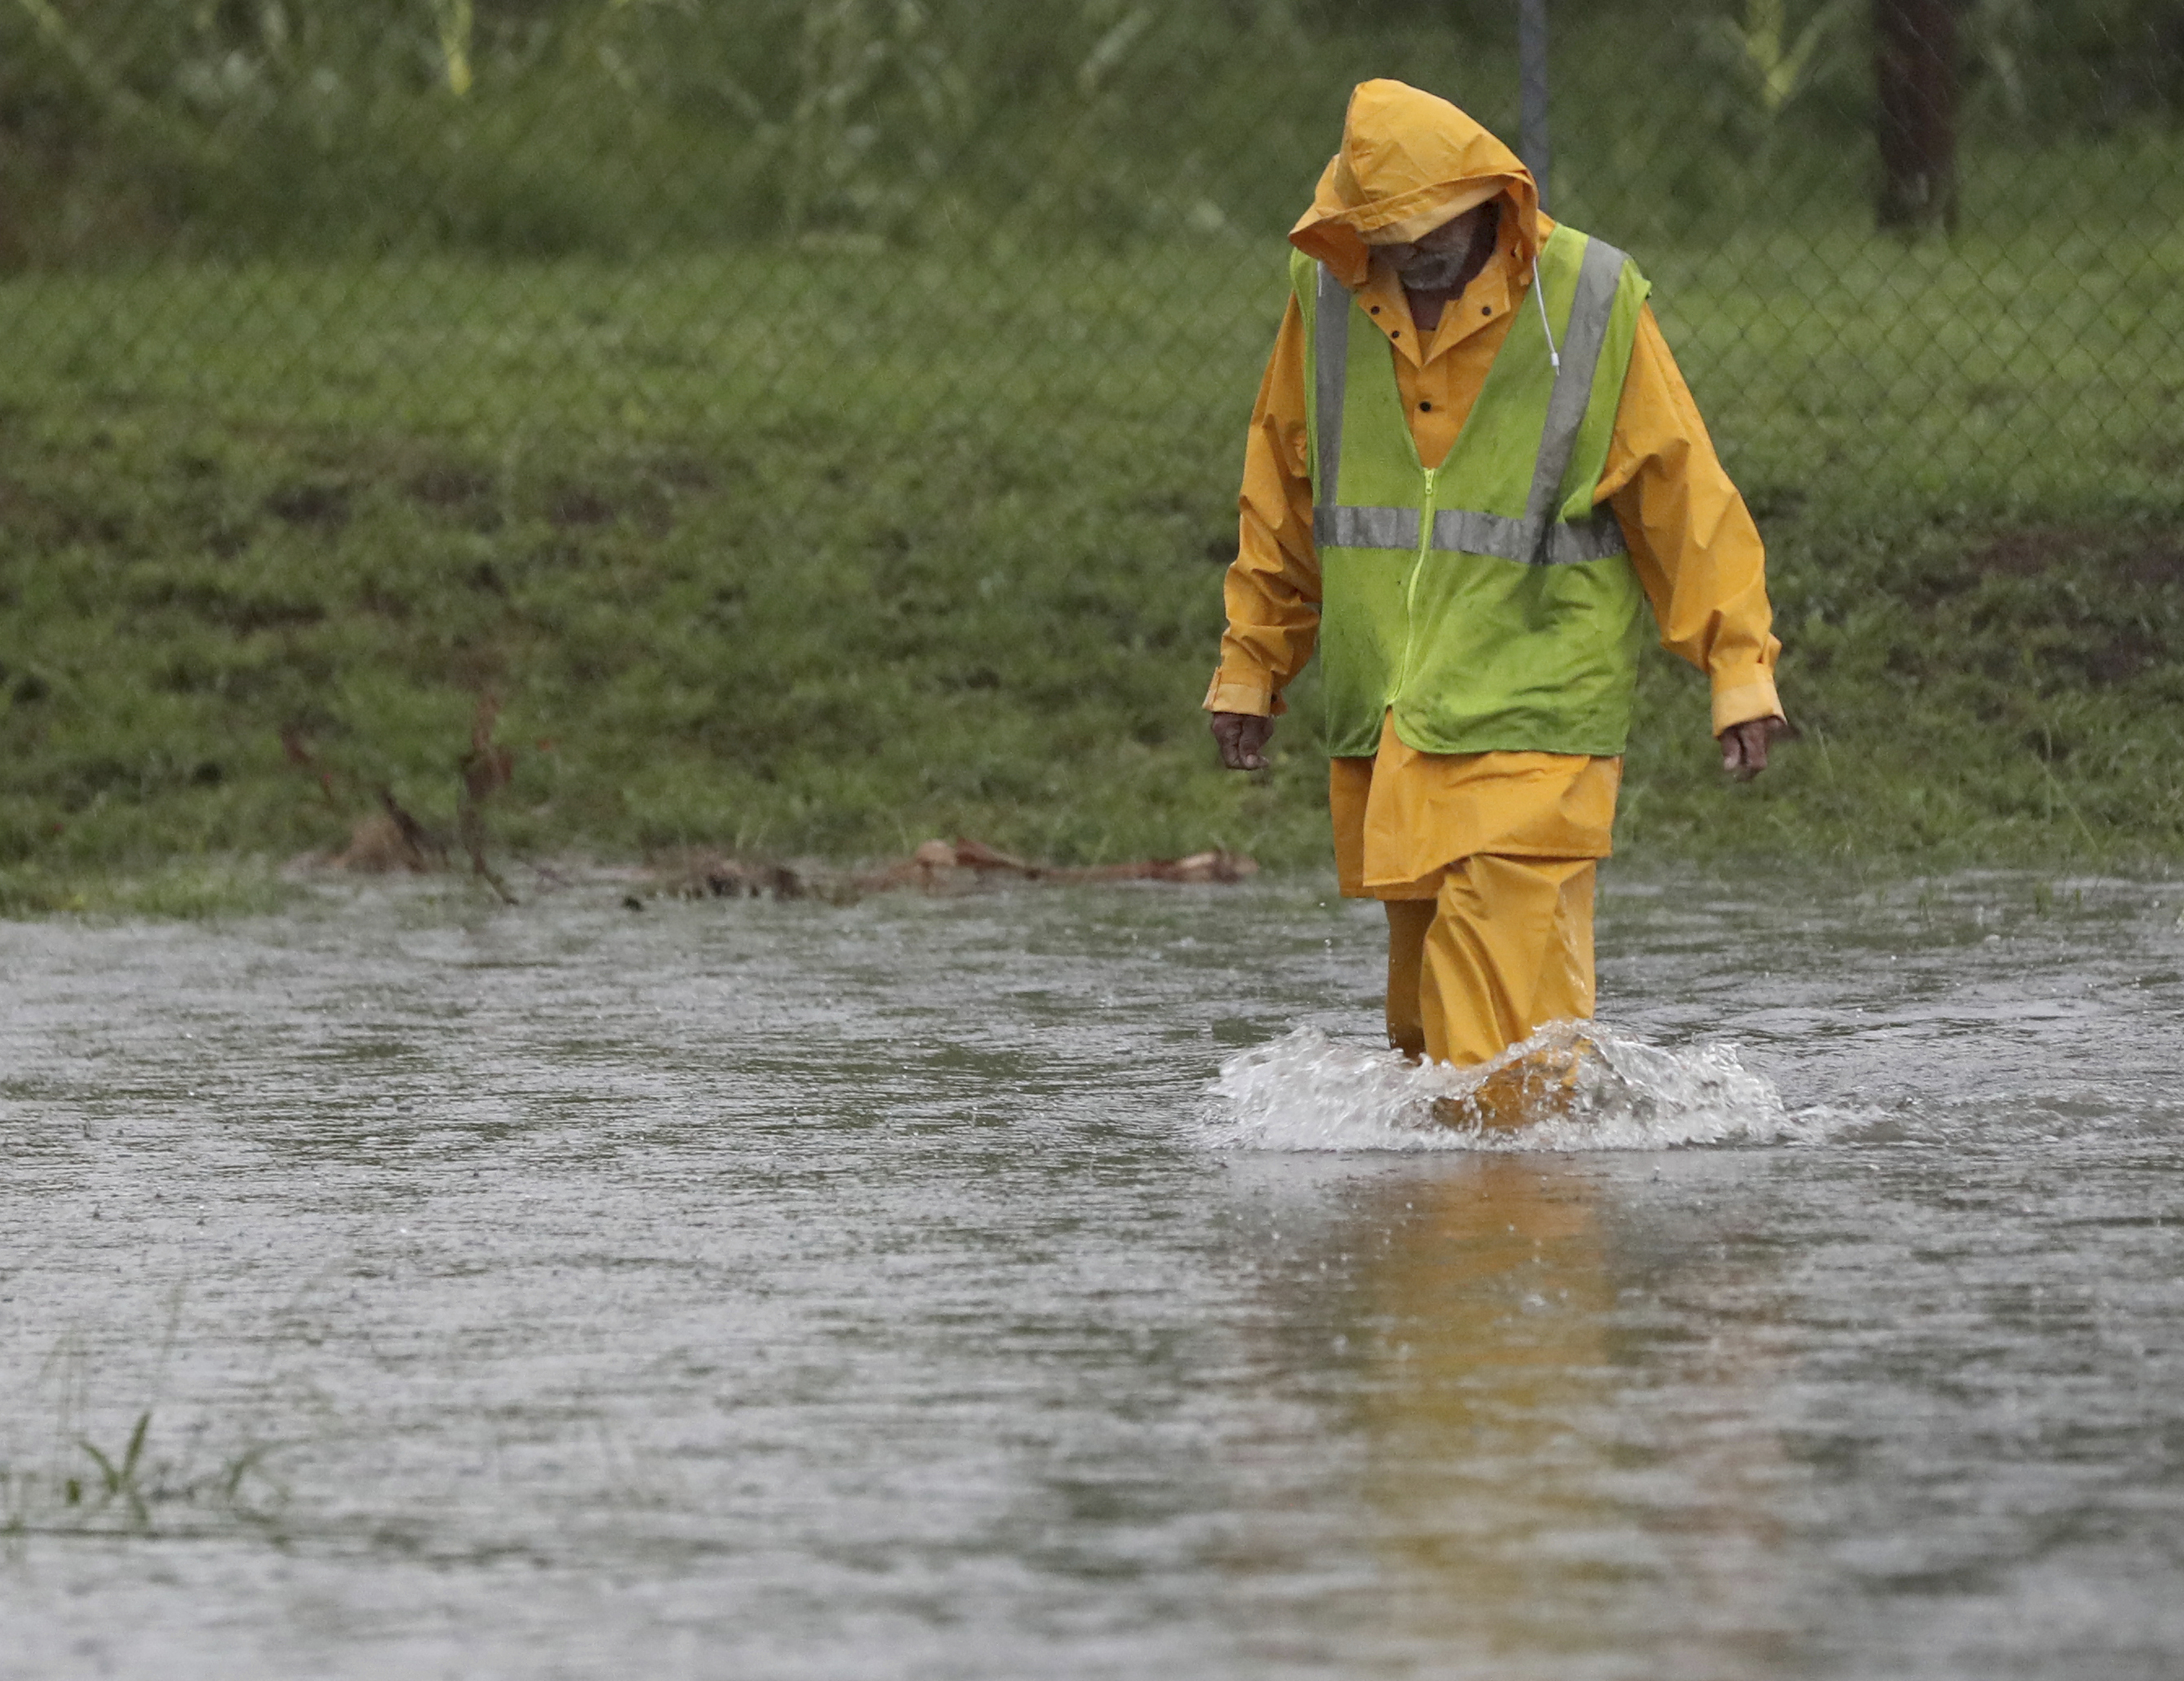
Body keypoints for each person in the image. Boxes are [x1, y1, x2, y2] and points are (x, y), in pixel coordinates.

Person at [1206, 79, 1787, 1078]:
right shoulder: (1329, 301)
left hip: (1537, 713)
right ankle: (1486, 1223)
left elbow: (1683, 497)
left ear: (1492, 200)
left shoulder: (1592, 298)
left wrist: (1738, 669)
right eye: (1388, 240)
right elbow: (1285, 495)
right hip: (1396, 718)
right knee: (1427, 1040)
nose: (1413, 259)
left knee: (1501, 1054)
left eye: (1432, 230)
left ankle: (1509, 1219)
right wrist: (1253, 668)